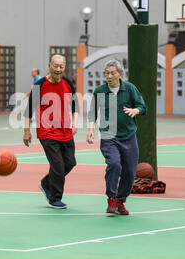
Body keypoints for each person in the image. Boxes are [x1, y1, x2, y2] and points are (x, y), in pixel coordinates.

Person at [86, 60, 147, 215]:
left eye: (112, 73)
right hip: (109, 136)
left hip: (129, 136)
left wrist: (135, 111)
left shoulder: (130, 88)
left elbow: (143, 107)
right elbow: (92, 112)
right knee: (114, 164)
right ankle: (111, 197)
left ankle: (121, 201)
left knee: (129, 172)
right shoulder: (100, 91)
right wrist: (91, 129)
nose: (109, 76)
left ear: (120, 74)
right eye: (106, 73)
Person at [23, 55, 78, 209]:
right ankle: (55, 198)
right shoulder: (40, 85)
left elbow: (75, 106)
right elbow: (28, 110)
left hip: (65, 130)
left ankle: (46, 183)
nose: (58, 69)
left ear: (64, 67)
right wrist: (27, 131)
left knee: (70, 163)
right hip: (46, 131)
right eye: (55, 66)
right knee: (58, 166)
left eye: (61, 66)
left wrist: (74, 122)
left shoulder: (68, 83)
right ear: (49, 66)